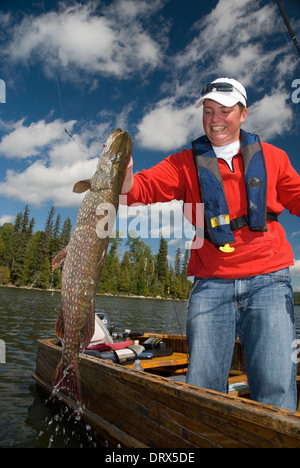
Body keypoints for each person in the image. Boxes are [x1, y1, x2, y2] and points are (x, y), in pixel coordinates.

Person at [121, 77, 300, 411]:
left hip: (270, 280)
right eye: (208, 109)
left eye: (225, 110)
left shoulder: (274, 157)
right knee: (201, 387)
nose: (215, 118)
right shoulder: (184, 162)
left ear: (243, 114)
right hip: (211, 281)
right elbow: (138, 190)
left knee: (276, 386)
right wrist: (123, 174)